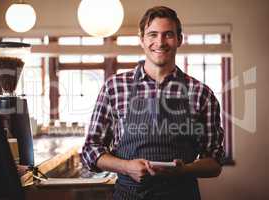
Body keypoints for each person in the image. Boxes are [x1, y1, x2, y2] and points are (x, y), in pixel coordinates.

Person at [82, 6, 224, 200]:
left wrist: (184, 170)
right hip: (128, 195)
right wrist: (126, 167)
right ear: (142, 40)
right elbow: (91, 149)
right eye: (152, 35)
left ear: (179, 40)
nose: (160, 42)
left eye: (168, 35)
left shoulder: (201, 93)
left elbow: (214, 162)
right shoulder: (114, 87)